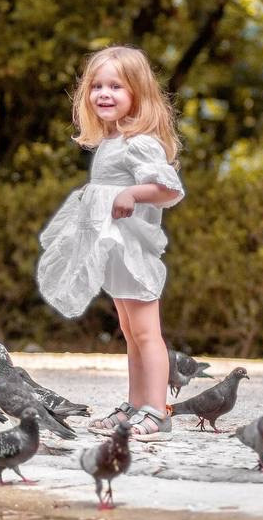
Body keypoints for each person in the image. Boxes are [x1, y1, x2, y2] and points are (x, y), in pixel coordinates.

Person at [36, 45, 184, 442]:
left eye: (115, 86)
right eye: (97, 86)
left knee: (147, 333)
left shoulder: (139, 142)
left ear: (137, 92)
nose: (104, 93)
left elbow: (168, 188)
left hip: (133, 251)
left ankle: (157, 409)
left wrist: (133, 193)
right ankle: (135, 405)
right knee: (130, 331)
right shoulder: (111, 140)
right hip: (114, 249)